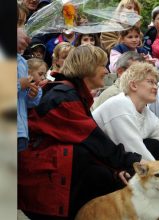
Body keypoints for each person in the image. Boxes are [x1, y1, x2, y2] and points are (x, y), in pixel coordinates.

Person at [18, 45, 144, 219]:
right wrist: (130, 164)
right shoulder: (64, 96)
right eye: (103, 65)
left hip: (46, 175)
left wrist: (119, 167)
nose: (107, 71)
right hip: (42, 181)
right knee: (102, 173)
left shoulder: (72, 92)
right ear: (88, 67)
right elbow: (94, 139)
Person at [17, 3, 41, 152]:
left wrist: (33, 94)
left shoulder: (21, 61)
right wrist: (19, 84)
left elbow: (24, 100)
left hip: (20, 130)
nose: (22, 29)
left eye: (23, 23)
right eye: (18, 23)